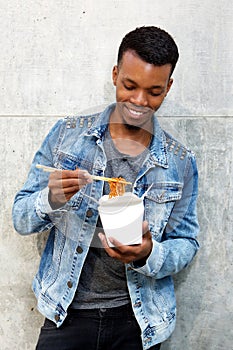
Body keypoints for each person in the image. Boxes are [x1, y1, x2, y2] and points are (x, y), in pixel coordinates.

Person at [12, 26, 199, 350]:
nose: (139, 101)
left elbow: (186, 242)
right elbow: (20, 217)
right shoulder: (66, 136)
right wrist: (52, 198)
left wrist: (148, 254)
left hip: (140, 322)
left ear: (168, 88)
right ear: (115, 75)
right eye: (130, 85)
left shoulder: (180, 161)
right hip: (65, 314)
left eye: (154, 91)